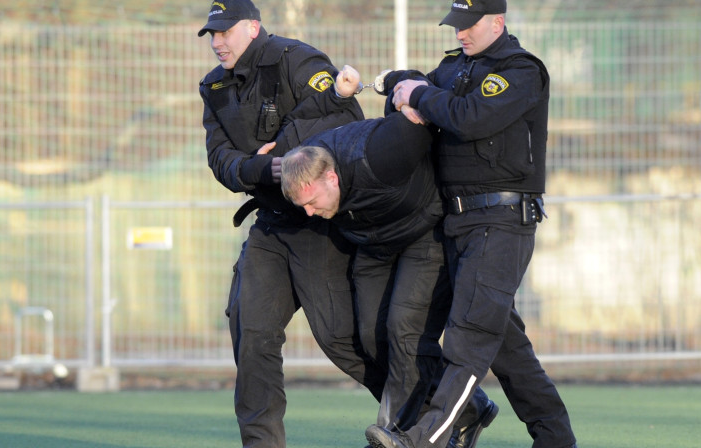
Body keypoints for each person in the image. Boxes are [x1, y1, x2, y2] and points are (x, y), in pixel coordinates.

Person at [364, 1, 578, 448]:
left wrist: (419, 95)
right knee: (505, 347)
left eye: (469, 25)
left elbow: (471, 116)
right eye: (456, 25)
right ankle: (556, 439)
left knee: (469, 338)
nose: (460, 34)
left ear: (497, 22)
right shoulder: (455, 68)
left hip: (500, 221)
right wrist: (393, 86)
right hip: (458, 221)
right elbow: (421, 88)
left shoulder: (519, 71)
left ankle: (425, 440)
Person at [196, 1, 387, 446]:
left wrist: (284, 152)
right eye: (212, 35)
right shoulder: (215, 87)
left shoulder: (296, 59)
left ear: (253, 27)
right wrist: (264, 171)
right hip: (270, 223)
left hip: (317, 220)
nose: (218, 42)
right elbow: (221, 159)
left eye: (225, 32)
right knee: (252, 335)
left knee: (342, 340)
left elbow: (344, 117)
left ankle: (436, 409)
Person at [275, 66, 498, 446]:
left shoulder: (383, 152)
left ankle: (398, 435)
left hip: (424, 231)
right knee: (371, 336)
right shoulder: (311, 172)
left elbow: (418, 99)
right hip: (375, 243)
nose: (309, 213)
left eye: (312, 203)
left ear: (331, 178)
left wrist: (400, 84)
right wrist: (259, 163)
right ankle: (470, 406)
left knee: (404, 330)